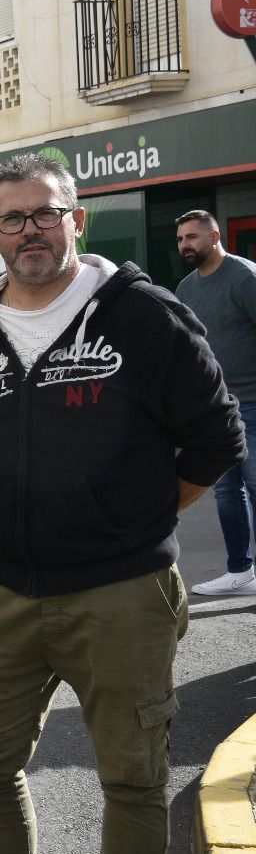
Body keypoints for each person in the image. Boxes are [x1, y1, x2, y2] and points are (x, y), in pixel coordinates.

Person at [0, 155, 245, 854]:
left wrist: (131, 519)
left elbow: (217, 438)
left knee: (133, 779)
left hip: (122, 590)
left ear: (76, 220)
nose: (31, 230)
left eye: (46, 213)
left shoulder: (145, 315)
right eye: (13, 218)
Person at [174, 209, 256, 596]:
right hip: (216, 409)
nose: (185, 245)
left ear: (215, 236)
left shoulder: (244, 277)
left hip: (253, 402)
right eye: (180, 239)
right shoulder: (186, 288)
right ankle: (240, 571)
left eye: (192, 237)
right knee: (226, 492)